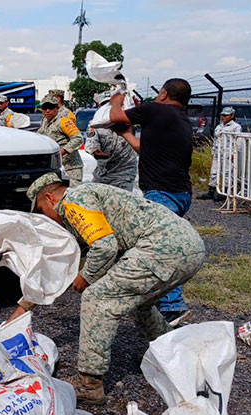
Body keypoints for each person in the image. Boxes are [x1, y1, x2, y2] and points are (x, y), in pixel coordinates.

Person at [10, 172, 205, 404]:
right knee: (138, 304)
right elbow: (57, 266)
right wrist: (22, 309)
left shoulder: (73, 201)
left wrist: (86, 276)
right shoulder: (83, 208)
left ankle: (90, 384)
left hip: (162, 248)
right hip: (188, 247)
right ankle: (171, 355)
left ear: (51, 198)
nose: (46, 218)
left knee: (97, 299)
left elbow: (104, 247)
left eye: (42, 210)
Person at [107, 78, 194, 324]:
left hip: (161, 192)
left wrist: (116, 99)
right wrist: (126, 134)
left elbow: (117, 115)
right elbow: (145, 150)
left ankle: (172, 306)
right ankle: (160, 298)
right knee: (166, 243)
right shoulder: (180, 119)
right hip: (181, 193)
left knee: (161, 249)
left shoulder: (156, 109)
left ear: (164, 93)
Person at [84, 92, 138, 191]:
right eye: (104, 105)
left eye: (110, 104)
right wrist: (95, 151)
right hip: (104, 175)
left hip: (125, 175)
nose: (108, 107)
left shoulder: (128, 119)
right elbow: (91, 141)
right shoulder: (94, 125)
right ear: (99, 106)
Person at [37, 93, 83, 184]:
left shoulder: (63, 121)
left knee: (71, 195)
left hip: (70, 167)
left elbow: (78, 138)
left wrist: (62, 151)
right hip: (55, 167)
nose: (47, 111)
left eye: (50, 108)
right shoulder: (44, 122)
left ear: (57, 108)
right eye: (44, 108)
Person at [198, 106, 241, 201]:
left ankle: (225, 192)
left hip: (228, 152)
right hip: (218, 152)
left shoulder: (236, 127)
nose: (224, 117)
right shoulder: (219, 126)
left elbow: (239, 141)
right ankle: (211, 190)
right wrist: (213, 151)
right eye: (223, 115)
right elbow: (216, 140)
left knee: (227, 172)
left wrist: (235, 152)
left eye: (226, 115)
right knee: (214, 171)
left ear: (232, 116)